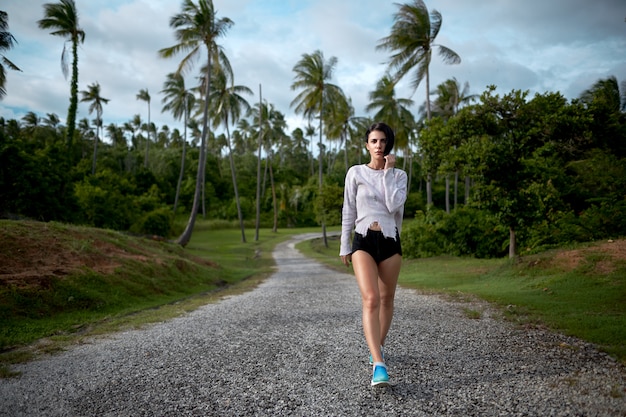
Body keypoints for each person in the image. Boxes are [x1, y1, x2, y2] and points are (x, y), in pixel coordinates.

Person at [340, 122, 407, 387]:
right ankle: (379, 365)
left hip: (390, 241)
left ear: (388, 145)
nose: (379, 146)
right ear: (367, 145)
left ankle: (375, 346)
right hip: (364, 240)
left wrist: (388, 171)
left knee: (386, 298)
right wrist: (345, 244)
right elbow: (348, 210)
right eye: (374, 141)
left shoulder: (399, 175)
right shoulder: (355, 173)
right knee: (370, 299)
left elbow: (393, 205)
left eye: (383, 141)